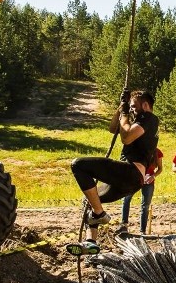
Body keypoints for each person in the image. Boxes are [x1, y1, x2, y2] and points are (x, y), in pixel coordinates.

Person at [68, 90, 159, 252]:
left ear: (145, 105)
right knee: (91, 200)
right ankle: (91, 243)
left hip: (131, 172)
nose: (132, 110)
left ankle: (100, 214)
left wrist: (125, 113)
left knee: (78, 165)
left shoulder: (149, 118)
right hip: (128, 181)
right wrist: (120, 108)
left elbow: (126, 137)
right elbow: (113, 128)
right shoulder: (139, 120)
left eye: (133, 107)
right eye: (130, 108)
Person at [119, 147, 163, 235]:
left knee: (145, 205)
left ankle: (142, 230)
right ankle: (124, 225)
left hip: (148, 181)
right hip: (134, 179)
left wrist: (152, 176)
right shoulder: (138, 149)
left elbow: (160, 169)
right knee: (126, 199)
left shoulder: (157, 152)